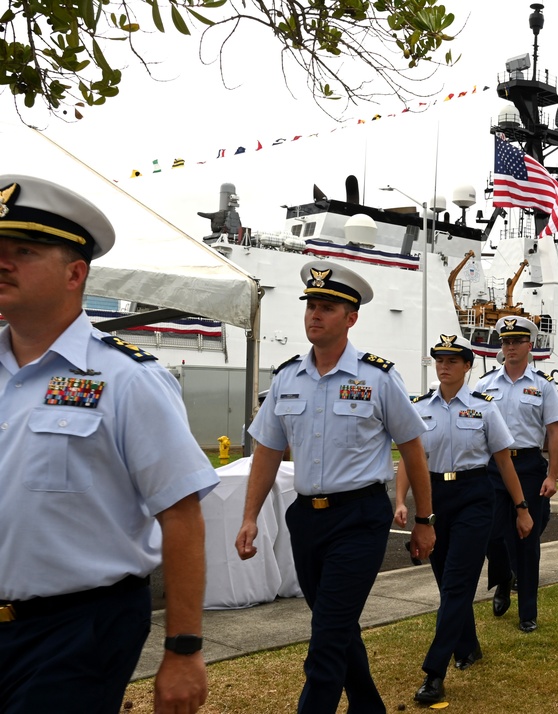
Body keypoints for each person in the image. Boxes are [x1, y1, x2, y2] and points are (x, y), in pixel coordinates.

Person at [0, 175, 218, 713]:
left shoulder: (127, 379)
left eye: (23, 251)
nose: (3, 262)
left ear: (76, 273)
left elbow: (182, 515)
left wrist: (184, 650)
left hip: (75, 630)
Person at [236, 260, 435, 714]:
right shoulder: (287, 378)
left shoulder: (378, 377)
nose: (314, 315)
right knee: (337, 627)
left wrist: (424, 519)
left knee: (325, 639)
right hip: (306, 519)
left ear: (351, 318)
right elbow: (266, 450)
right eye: (311, 306)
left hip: (360, 518)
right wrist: (249, 516)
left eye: (327, 307)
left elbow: (412, 449)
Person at [395, 333, 533, 704]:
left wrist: (521, 509)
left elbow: (504, 461)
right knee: (446, 581)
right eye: (439, 359)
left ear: (468, 367)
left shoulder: (485, 407)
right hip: (434, 498)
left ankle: (434, 672)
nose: (444, 366)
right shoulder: (419, 407)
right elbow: (412, 460)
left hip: (475, 497)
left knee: (457, 584)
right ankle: (468, 646)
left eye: (453, 360)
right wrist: (401, 501)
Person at [475, 315, 558, 633]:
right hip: (492, 468)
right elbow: (474, 427)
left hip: (527, 466)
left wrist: (552, 476)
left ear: (529, 345)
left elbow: (554, 433)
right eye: (505, 341)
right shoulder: (484, 386)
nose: (510, 347)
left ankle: (528, 611)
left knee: (527, 539)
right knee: (490, 534)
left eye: (516, 341)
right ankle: (503, 578)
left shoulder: (542, 387)